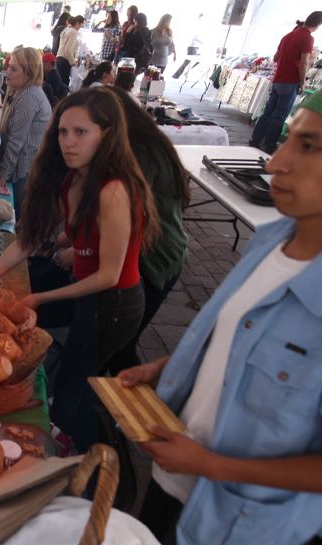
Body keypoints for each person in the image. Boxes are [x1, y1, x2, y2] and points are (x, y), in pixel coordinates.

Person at [123, 90, 322, 545]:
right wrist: (168, 364)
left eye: (310, 146)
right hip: (173, 470)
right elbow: (236, 332)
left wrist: (211, 466)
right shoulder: (275, 237)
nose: (277, 161)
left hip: (228, 515)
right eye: (288, 138)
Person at [0, 88, 160, 452]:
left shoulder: (113, 190)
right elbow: (29, 239)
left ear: (105, 135)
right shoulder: (74, 178)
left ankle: (104, 461)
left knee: (73, 393)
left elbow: (108, 276)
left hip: (114, 304)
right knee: (73, 381)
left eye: (81, 132)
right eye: (63, 132)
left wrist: (39, 297)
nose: (68, 142)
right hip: (89, 293)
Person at [102, 85, 189, 374]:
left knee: (119, 348)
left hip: (156, 257)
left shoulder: (139, 151)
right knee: (117, 345)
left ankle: (126, 407)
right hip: (161, 249)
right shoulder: (143, 141)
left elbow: (124, 213)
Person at [249, 12, 322, 154]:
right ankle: (269, 145)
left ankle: (254, 140)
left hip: (278, 79)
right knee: (279, 116)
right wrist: (302, 82)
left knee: (267, 113)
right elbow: (303, 63)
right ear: (318, 25)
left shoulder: (288, 36)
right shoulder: (308, 38)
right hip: (290, 81)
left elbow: (275, 58)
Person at [0, 46, 52, 217]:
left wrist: (3, 175)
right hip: (20, 169)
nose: (7, 71)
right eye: (9, 66)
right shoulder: (19, 90)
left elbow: (16, 142)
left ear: (28, 74)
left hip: (24, 172)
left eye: (13, 68)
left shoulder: (29, 97)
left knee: (16, 217)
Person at [56, 15, 85, 86]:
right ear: (78, 23)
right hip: (65, 61)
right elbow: (68, 50)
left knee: (58, 84)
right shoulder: (73, 32)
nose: (81, 27)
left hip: (59, 59)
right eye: (81, 24)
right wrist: (73, 63)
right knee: (64, 84)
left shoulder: (66, 29)